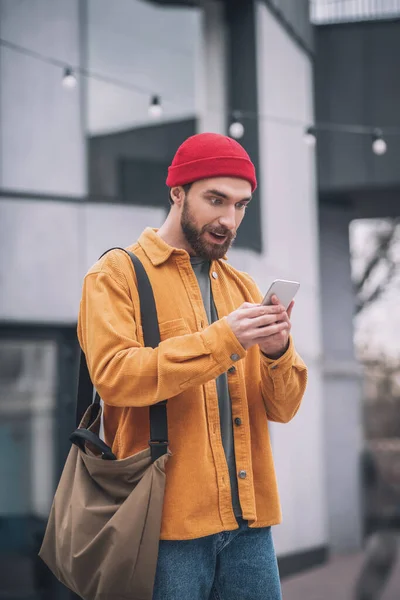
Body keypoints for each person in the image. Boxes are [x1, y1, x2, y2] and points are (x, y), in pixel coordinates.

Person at [77, 132, 308, 600]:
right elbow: (116, 377)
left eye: (241, 205)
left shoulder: (242, 286)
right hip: (162, 529)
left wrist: (276, 350)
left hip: (250, 527)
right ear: (177, 192)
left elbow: (283, 409)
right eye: (216, 200)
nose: (229, 219)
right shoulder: (115, 274)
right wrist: (224, 338)